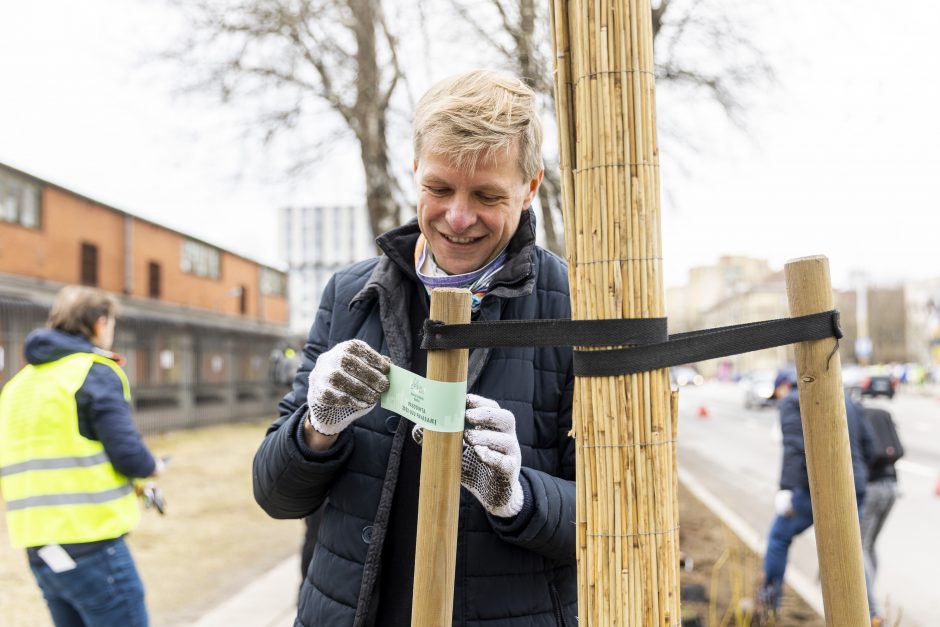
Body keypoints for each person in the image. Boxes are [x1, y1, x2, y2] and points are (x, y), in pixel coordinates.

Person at [253, 69, 576, 626]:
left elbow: (610, 518)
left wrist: (515, 496)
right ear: (414, 173)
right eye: (439, 188)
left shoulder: (572, 306)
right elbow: (276, 495)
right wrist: (316, 429)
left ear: (530, 188)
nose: (457, 217)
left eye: (487, 195)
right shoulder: (352, 294)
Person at [0, 285, 164, 627]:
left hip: (38, 546)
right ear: (100, 323)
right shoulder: (93, 372)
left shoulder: (17, 386)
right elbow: (129, 454)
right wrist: (153, 467)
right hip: (92, 544)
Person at [757, 370, 877, 623]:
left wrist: (786, 488)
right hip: (856, 487)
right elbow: (871, 446)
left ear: (784, 386)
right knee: (851, 552)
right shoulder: (847, 399)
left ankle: (769, 604)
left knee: (779, 538)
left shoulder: (792, 400)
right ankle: (870, 616)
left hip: (816, 490)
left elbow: (794, 447)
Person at [859, 404, 902, 619]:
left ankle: (869, 609)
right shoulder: (882, 414)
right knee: (869, 545)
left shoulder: (857, 415)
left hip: (872, 488)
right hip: (892, 486)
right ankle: (868, 596)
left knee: (860, 547)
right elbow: (898, 450)